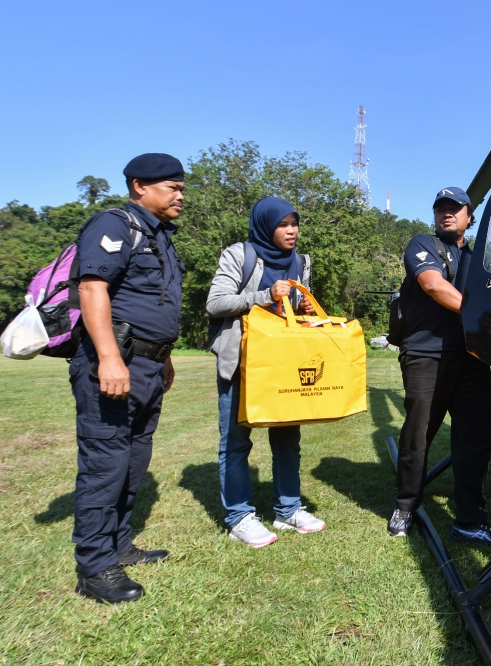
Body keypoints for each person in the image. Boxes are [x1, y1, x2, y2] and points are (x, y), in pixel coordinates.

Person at [71, 153, 185, 603]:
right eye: (171, 187)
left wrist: (164, 357)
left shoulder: (159, 236)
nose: (180, 195)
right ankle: (95, 567)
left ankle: (119, 544)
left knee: (134, 457)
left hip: (149, 365)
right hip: (115, 363)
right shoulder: (114, 225)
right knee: (105, 461)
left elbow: (152, 305)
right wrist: (108, 358)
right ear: (139, 185)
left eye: (181, 188)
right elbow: (91, 287)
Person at [388, 187, 491, 545]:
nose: (447, 213)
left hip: (472, 359)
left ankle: (470, 521)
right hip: (426, 355)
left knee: (475, 438)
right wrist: (480, 315)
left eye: (455, 208)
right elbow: (432, 286)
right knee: (418, 434)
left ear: (469, 217)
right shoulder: (422, 245)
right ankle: (406, 506)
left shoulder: (480, 260)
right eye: (441, 208)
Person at [206, 196, 324, 548]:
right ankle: (239, 516)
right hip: (242, 361)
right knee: (236, 441)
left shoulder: (300, 262)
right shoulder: (239, 255)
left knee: (288, 440)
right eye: (283, 224)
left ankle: (289, 509)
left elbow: (295, 314)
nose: (292, 231)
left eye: (295, 223)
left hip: (283, 363)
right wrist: (263, 295)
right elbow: (215, 303)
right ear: (265, 225)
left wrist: (303, 304)